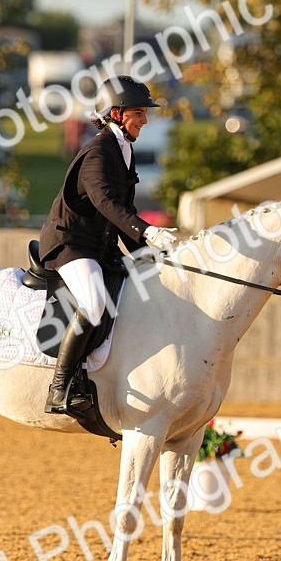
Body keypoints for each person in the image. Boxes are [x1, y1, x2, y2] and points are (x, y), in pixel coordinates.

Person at [37, 76, 178, 416]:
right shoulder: (98, 151)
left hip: (98, 248)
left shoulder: (123, 150)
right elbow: (105, 202)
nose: (145, 120)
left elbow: (123, 212)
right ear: (116, 113)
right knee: (94, 301)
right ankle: (60, 387)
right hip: (70, 244)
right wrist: (148, 232)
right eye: (139, 113)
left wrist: (152, 256)